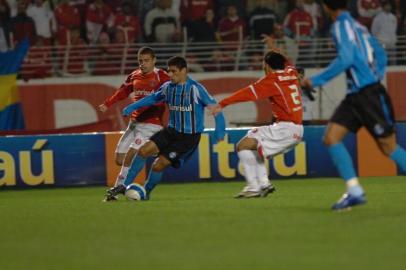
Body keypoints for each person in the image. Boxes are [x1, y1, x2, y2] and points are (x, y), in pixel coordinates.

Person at [301, 0, 406, 210]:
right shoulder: (359, 26)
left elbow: (346, 58)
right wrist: (376, 73)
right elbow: (380, 53)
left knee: (389, 147)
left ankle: (355, 190)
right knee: (331, 138)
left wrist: (316, 80)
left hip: (368, 95)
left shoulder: (340, 26)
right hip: (356, 96)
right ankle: (355, 191)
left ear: (326, 7)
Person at [105, 56, 226, 200]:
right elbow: (153, 98)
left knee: (158, 165)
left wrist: (220, 132)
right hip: (170, 131)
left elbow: (217, 110)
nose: (170, 75)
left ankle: (146, 193)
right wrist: (133, 106)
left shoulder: (196, 89)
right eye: (168, 71)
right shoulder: (168, 87)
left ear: (184, 71)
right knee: (143, 151)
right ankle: (124, 185)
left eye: (174, 71)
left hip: (188, 137)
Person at [209, 50, 304, 198]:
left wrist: (222, 104)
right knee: (251, 143)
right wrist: (274, 49)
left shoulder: (271, 81)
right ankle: (264, 184)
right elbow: (288, 63)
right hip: (296, 130)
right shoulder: (292, 72)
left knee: (242, 146)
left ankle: (253, 187)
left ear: (266, 66)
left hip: (285, 128)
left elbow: (246, 93)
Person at [100, 46, 170, 201]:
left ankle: (117, 189)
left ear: (154, 60)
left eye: (146, 61)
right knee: (119, 159)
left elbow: (167, 95)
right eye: (140, 61)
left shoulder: (162, 76)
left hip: (152, 124)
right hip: (134, 123)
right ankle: (153, 150)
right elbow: (122, 92)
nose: (143, 64)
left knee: (132, 153)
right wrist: (107, 103)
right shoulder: (134, 75)